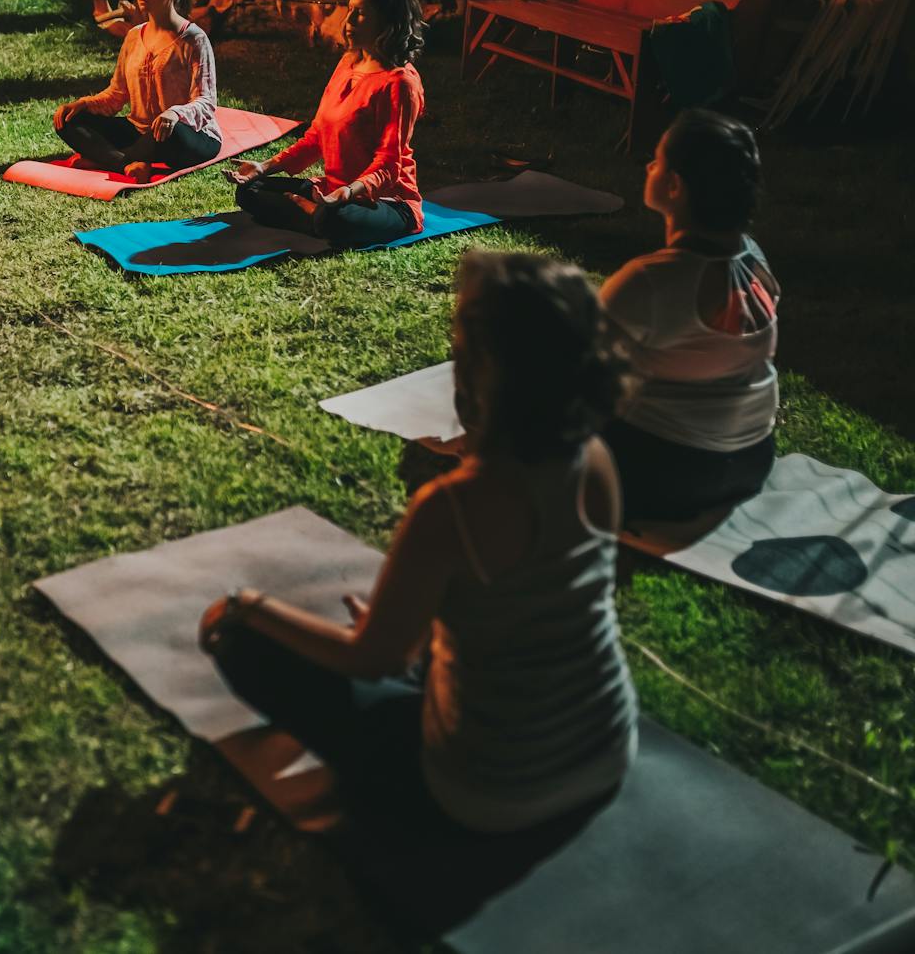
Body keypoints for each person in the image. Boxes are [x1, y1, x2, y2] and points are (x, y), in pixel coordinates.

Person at [199, 251, 637, 834]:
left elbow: (374, 659)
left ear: (485, 366)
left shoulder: (453, 507)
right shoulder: (597, 460)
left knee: (235, 638)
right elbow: (536, 598)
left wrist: (245, 605)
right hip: (606, 749)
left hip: (487, 789)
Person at [600, 109, 779, 522]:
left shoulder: (652, 281)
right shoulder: (755, 260)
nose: (648, 167)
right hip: (752, 460)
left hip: (665, 473)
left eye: (657, 160)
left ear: (675, 185)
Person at [228, 0, 425, 249]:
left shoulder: (399, 83)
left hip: (385, 200)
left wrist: (347, 192)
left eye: (361, 13)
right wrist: (264, 167)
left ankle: (312, 213)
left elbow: (388, 165)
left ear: (386, 21)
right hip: (332, 190)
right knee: (249, 191)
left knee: (334, 218)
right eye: (350, 9)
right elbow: (317, 136)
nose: (349, 21)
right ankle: (315, 212)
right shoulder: (348, 63)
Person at [52, 0, 221, 183]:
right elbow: (116, 94)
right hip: (139, 130)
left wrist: (174, 113)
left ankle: (109, 157)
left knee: (172, 133)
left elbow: (206, 102)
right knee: (70, 121)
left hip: (186, 134)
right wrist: (83, 104)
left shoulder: (194, 39)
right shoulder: (134, 36)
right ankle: (128, 162)